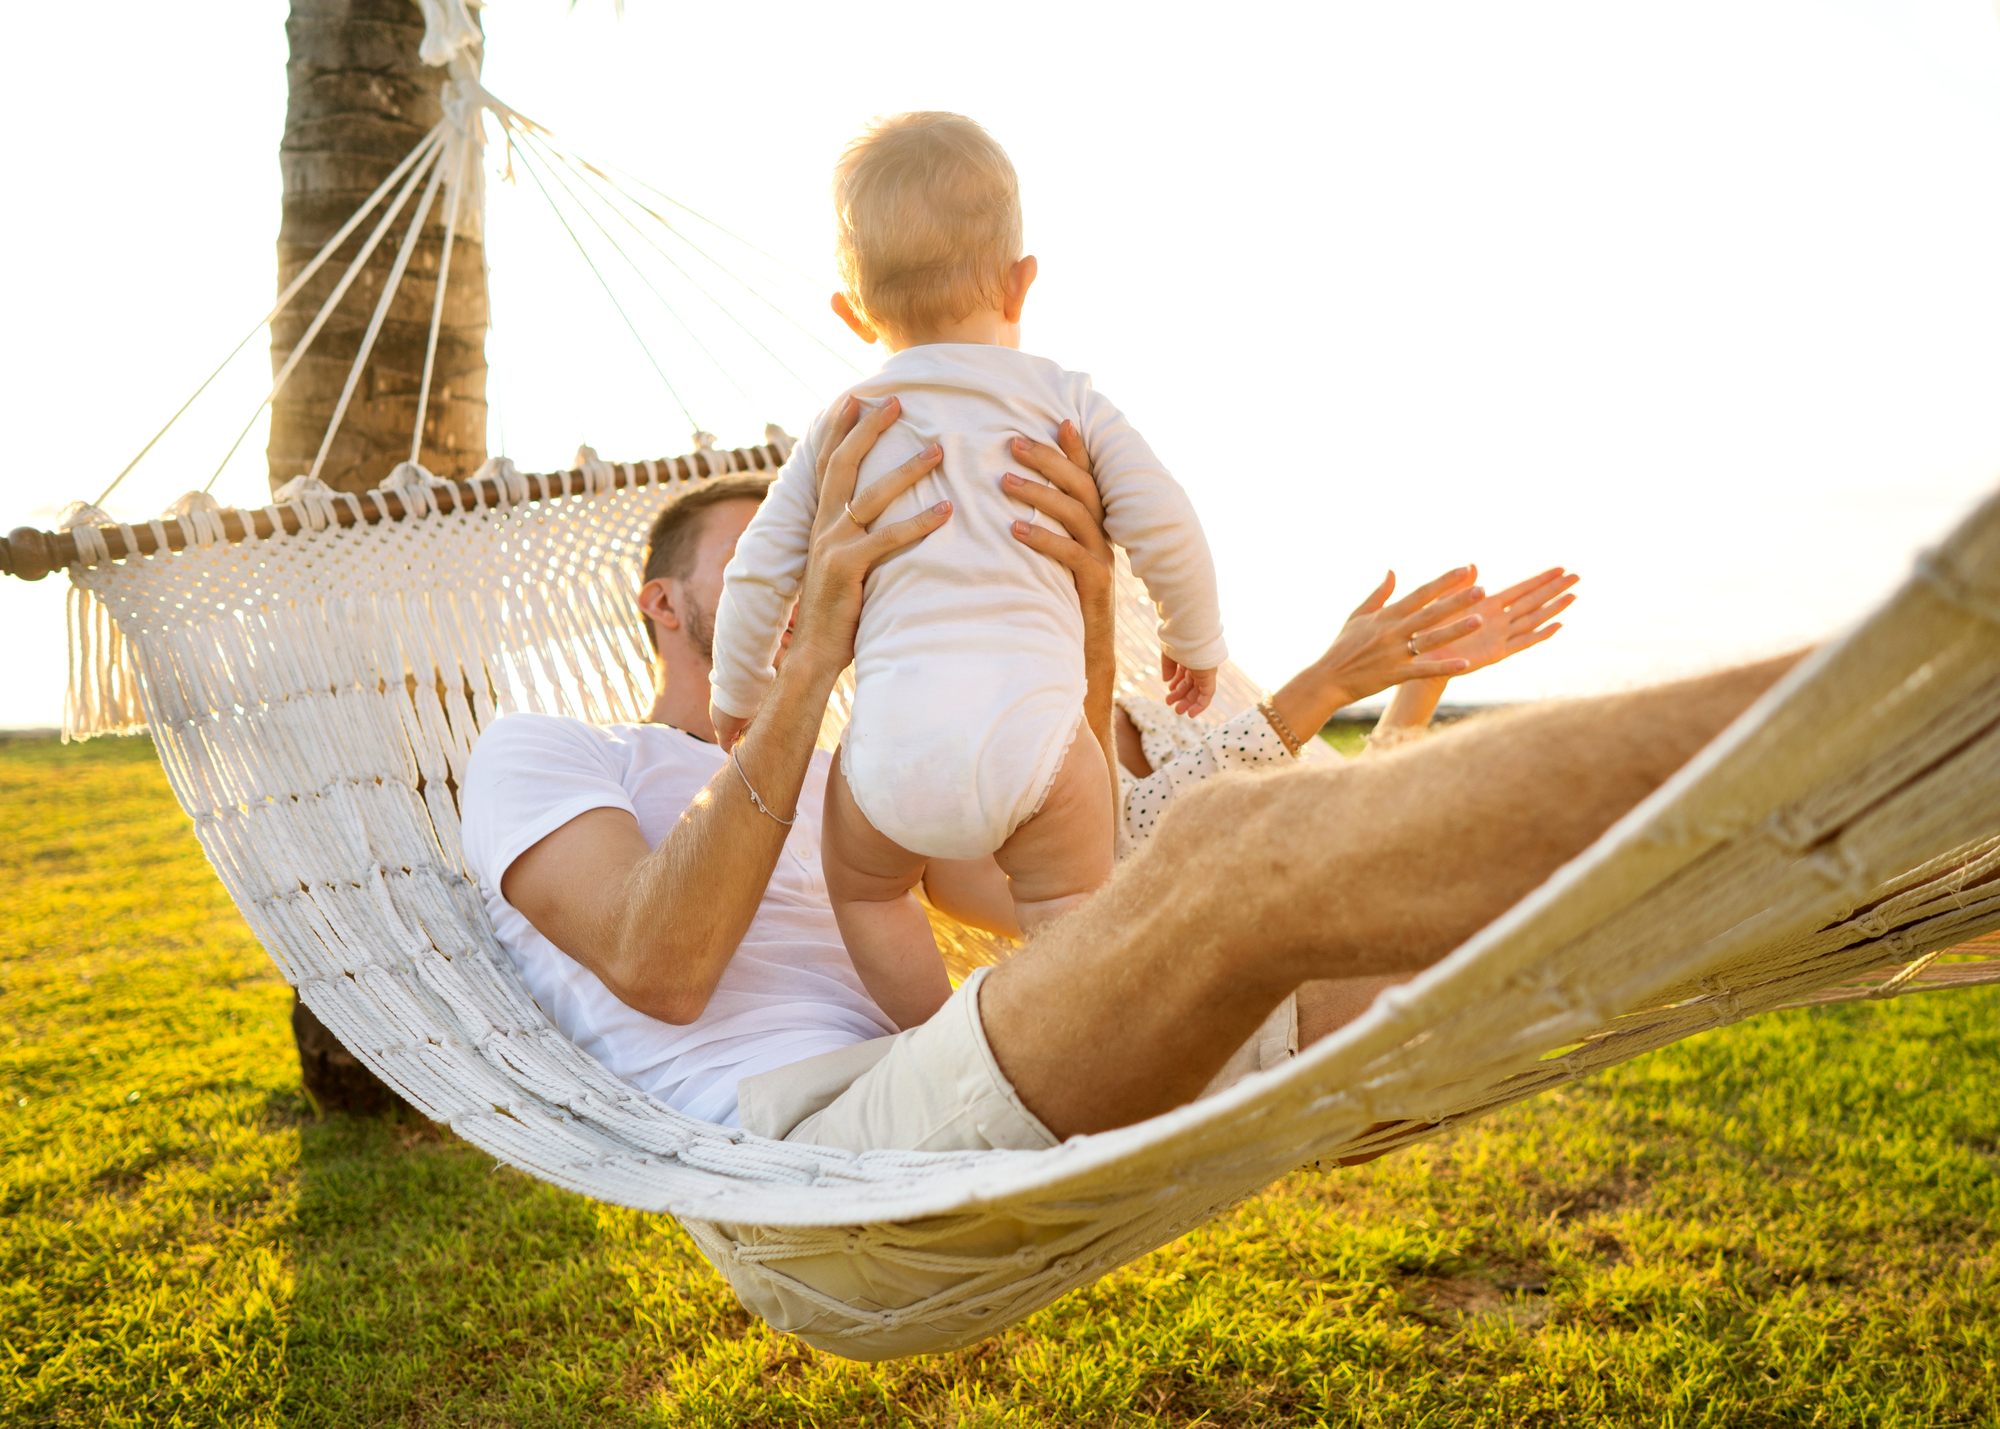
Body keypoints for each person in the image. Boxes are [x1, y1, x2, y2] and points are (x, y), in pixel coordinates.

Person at [706, 112, 1230, 1033]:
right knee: (1073, 897)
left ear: (853, 313)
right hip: (1038, 741)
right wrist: (1195, 639)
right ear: (1023, 283)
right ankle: (1066, 1039)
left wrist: (739, 692)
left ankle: (929, 1037)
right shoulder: (1067, 401)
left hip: (890, 759)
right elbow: (1169, 525)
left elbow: (758, 572)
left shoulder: (845, 423)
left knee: (866, 893)